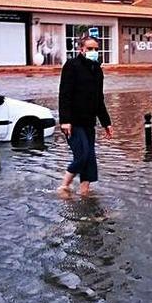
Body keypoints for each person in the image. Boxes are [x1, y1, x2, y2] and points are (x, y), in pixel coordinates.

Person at [57, 35, 113, 196]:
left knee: (90, 157)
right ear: (81, 49)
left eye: (96, 49)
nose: (93, 52)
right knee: (82, 155)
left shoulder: (97, 70)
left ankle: (85, 191)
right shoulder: (71, 66)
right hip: (73, 122)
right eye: (89, 49)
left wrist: (106, 123)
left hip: (89, 121)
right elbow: (64, 94)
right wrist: (65, 120)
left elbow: (99, 99)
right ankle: (64, 186)